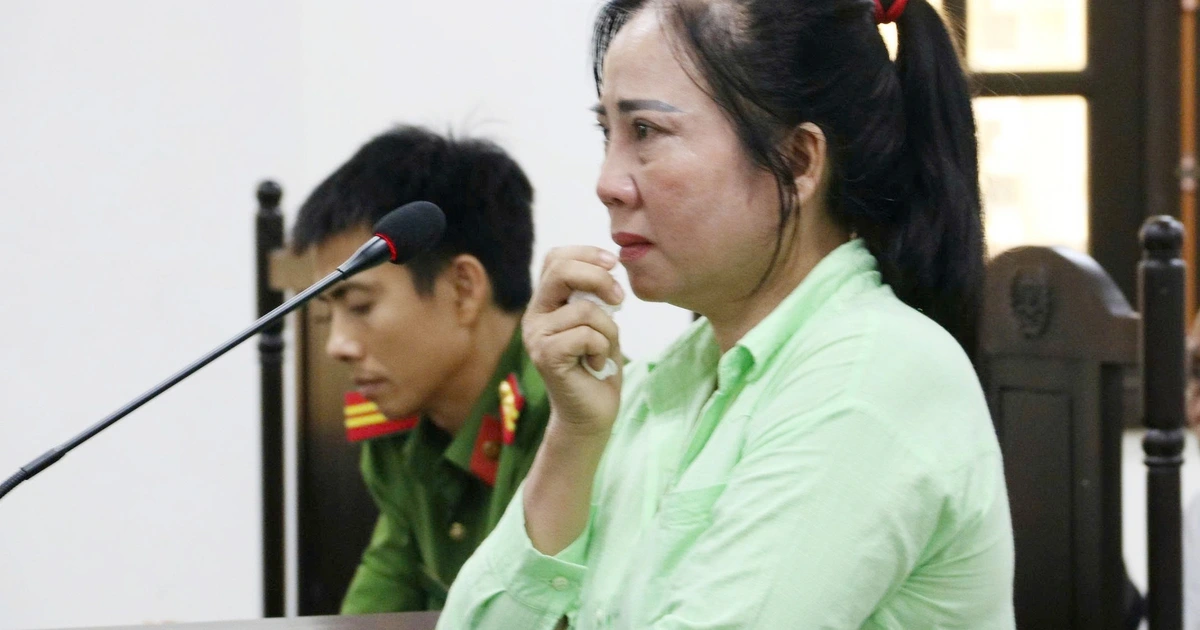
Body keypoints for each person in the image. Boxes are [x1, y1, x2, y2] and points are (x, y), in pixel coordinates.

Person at [437, 0, 1015, 628]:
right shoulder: (671, 380)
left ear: (797, 161)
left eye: (646, 132)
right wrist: (573, 439)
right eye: (608, 133)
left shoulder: (872, 376)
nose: (607, 183)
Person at [290, 125, 550, 613]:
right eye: (328, 315)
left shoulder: (571, 418)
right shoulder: (400, 430)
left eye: (360, 306)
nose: (336, 346)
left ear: (463, 290)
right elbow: (380, 603)